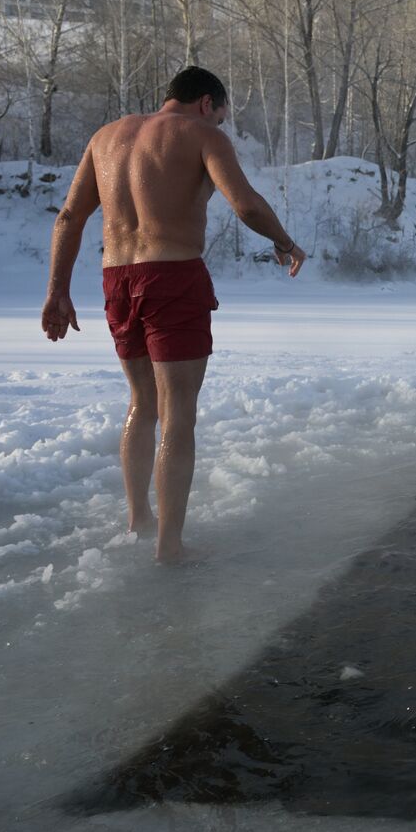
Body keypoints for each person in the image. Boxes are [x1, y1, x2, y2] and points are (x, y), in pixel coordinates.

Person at [40, 66, 307, 563]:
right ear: (207, 103)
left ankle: (139, 519)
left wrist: (57, 289)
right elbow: (245, 205)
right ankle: (170, 547)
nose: (220, 125)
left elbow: (69, 217)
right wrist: (285, 243)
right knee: (179, 411)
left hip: (116, 278)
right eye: (222, 116)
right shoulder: (201, 135)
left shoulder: (106, 137)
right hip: (173, 276)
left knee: (143, 402)